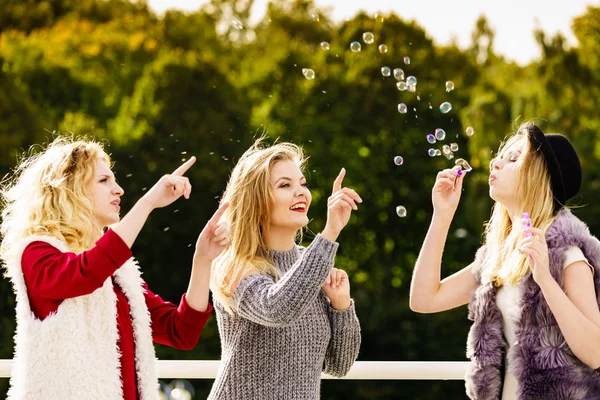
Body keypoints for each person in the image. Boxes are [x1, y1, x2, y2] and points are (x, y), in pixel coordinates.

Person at [0, 136, 229, 400]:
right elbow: (85, 274)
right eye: (104, 180)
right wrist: (148, 202)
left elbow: (181, 332)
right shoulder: (36, 253)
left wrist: (203, 259)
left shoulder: (120, 272)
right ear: (70, 189)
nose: (118, 189)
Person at [409, 121, 600, 399]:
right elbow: (424, 299)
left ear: (538, 178)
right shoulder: (497, 260)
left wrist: (545, 278)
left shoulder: (567, 257)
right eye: (500, 156)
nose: (496, 163)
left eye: (513, 158)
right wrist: (442, 215)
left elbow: (596, 353)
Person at [207, 139, 362, 399]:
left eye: (302, 183)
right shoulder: (233, 264)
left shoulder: (312, 263)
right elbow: (276, 309)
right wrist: (330, 231)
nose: (301, 192)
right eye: (285, 185)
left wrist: (341, 307)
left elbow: (338, 365)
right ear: (256, 201)